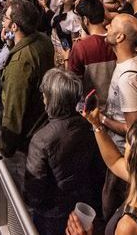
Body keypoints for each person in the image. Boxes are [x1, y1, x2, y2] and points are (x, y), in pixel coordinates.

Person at [25, 68, 106, 235]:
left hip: (51, 217)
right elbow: (98, 170)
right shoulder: (88, 126)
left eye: (46, 95)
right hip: (81, 209)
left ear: (52, 100)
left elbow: (35, 191)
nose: (43, 99)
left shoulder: (41, 139)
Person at [92, 13, 137, 220]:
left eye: (111, 26)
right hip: (121, 152)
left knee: (112, 208)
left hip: (123, 156)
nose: (106, 26)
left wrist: (101, 119)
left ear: (120, 38)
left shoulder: (128, 78)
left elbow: (133, 129)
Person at [69, 117, 137, 235]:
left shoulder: (128, 226)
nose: (125, 146)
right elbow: (114, 161)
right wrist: (96, 124)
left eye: (128, 143)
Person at [0, 0, 55, 157]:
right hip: (44, 121)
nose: (3, 21)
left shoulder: (20, 62)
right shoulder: (43, 39)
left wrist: (5, 148)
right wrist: (12, 45)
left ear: (14, 26)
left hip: (30, 135)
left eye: (6, 18)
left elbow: (14, 109)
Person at [68, 0, 118, 108]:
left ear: (85, 20)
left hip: (93, 112)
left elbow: (72, 84)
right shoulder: (117, 40)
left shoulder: (81, 47)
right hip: (117, 108)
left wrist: (66, 58)